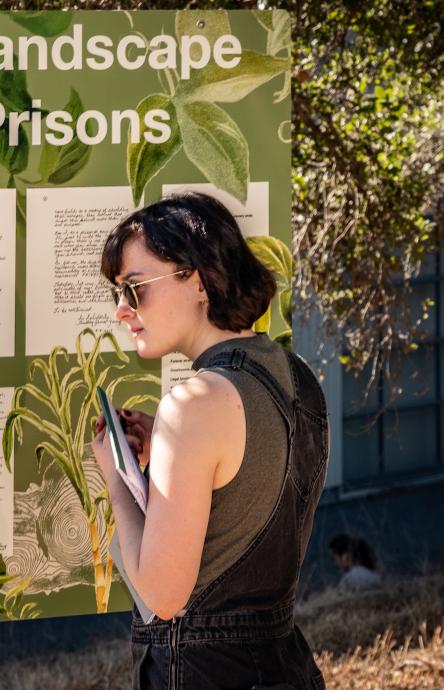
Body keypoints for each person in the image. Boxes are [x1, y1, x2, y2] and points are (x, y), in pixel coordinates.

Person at [91, 193, 329, 690]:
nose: (121, 311)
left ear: (197, 280)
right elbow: (248, 494)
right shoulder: (297, 373)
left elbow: (162, 595)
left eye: (134, 289)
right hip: (286, 663)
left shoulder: (194, 405)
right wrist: (170, 452)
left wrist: (116, 479)